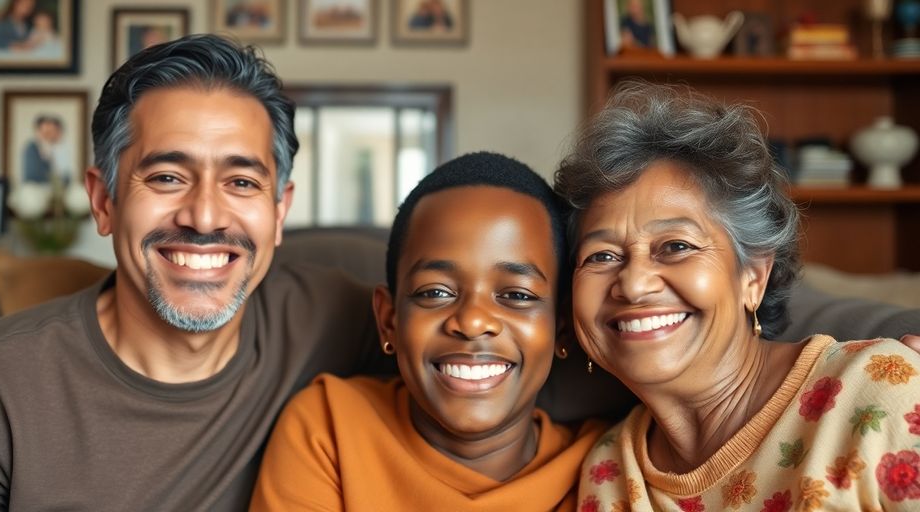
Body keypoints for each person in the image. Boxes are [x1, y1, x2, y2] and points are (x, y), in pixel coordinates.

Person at [0, 34, 393, 510]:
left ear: (280, 211)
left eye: (241, 181)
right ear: (103, 200)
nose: (204, 216)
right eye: (167, 177)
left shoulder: (335, 316)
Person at [557, 82, 920, 510]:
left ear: (753, 276)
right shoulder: (609, 471)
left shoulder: (882, 392)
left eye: (676, 246)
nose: (634, 284)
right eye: (601, 255)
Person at [252, 152, 606, 510]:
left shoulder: (602, 467)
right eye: (435, 292)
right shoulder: (329, 428)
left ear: (562, 329)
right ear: (389, 321)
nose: (472, 322)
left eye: (516, 295)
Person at [21, 114, 64, 183]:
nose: (49, 135)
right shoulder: (31, 148)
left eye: (51, 131)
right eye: (45, 132)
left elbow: (65, 176)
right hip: (35, 187)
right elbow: (32, 175)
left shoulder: (57, 149)